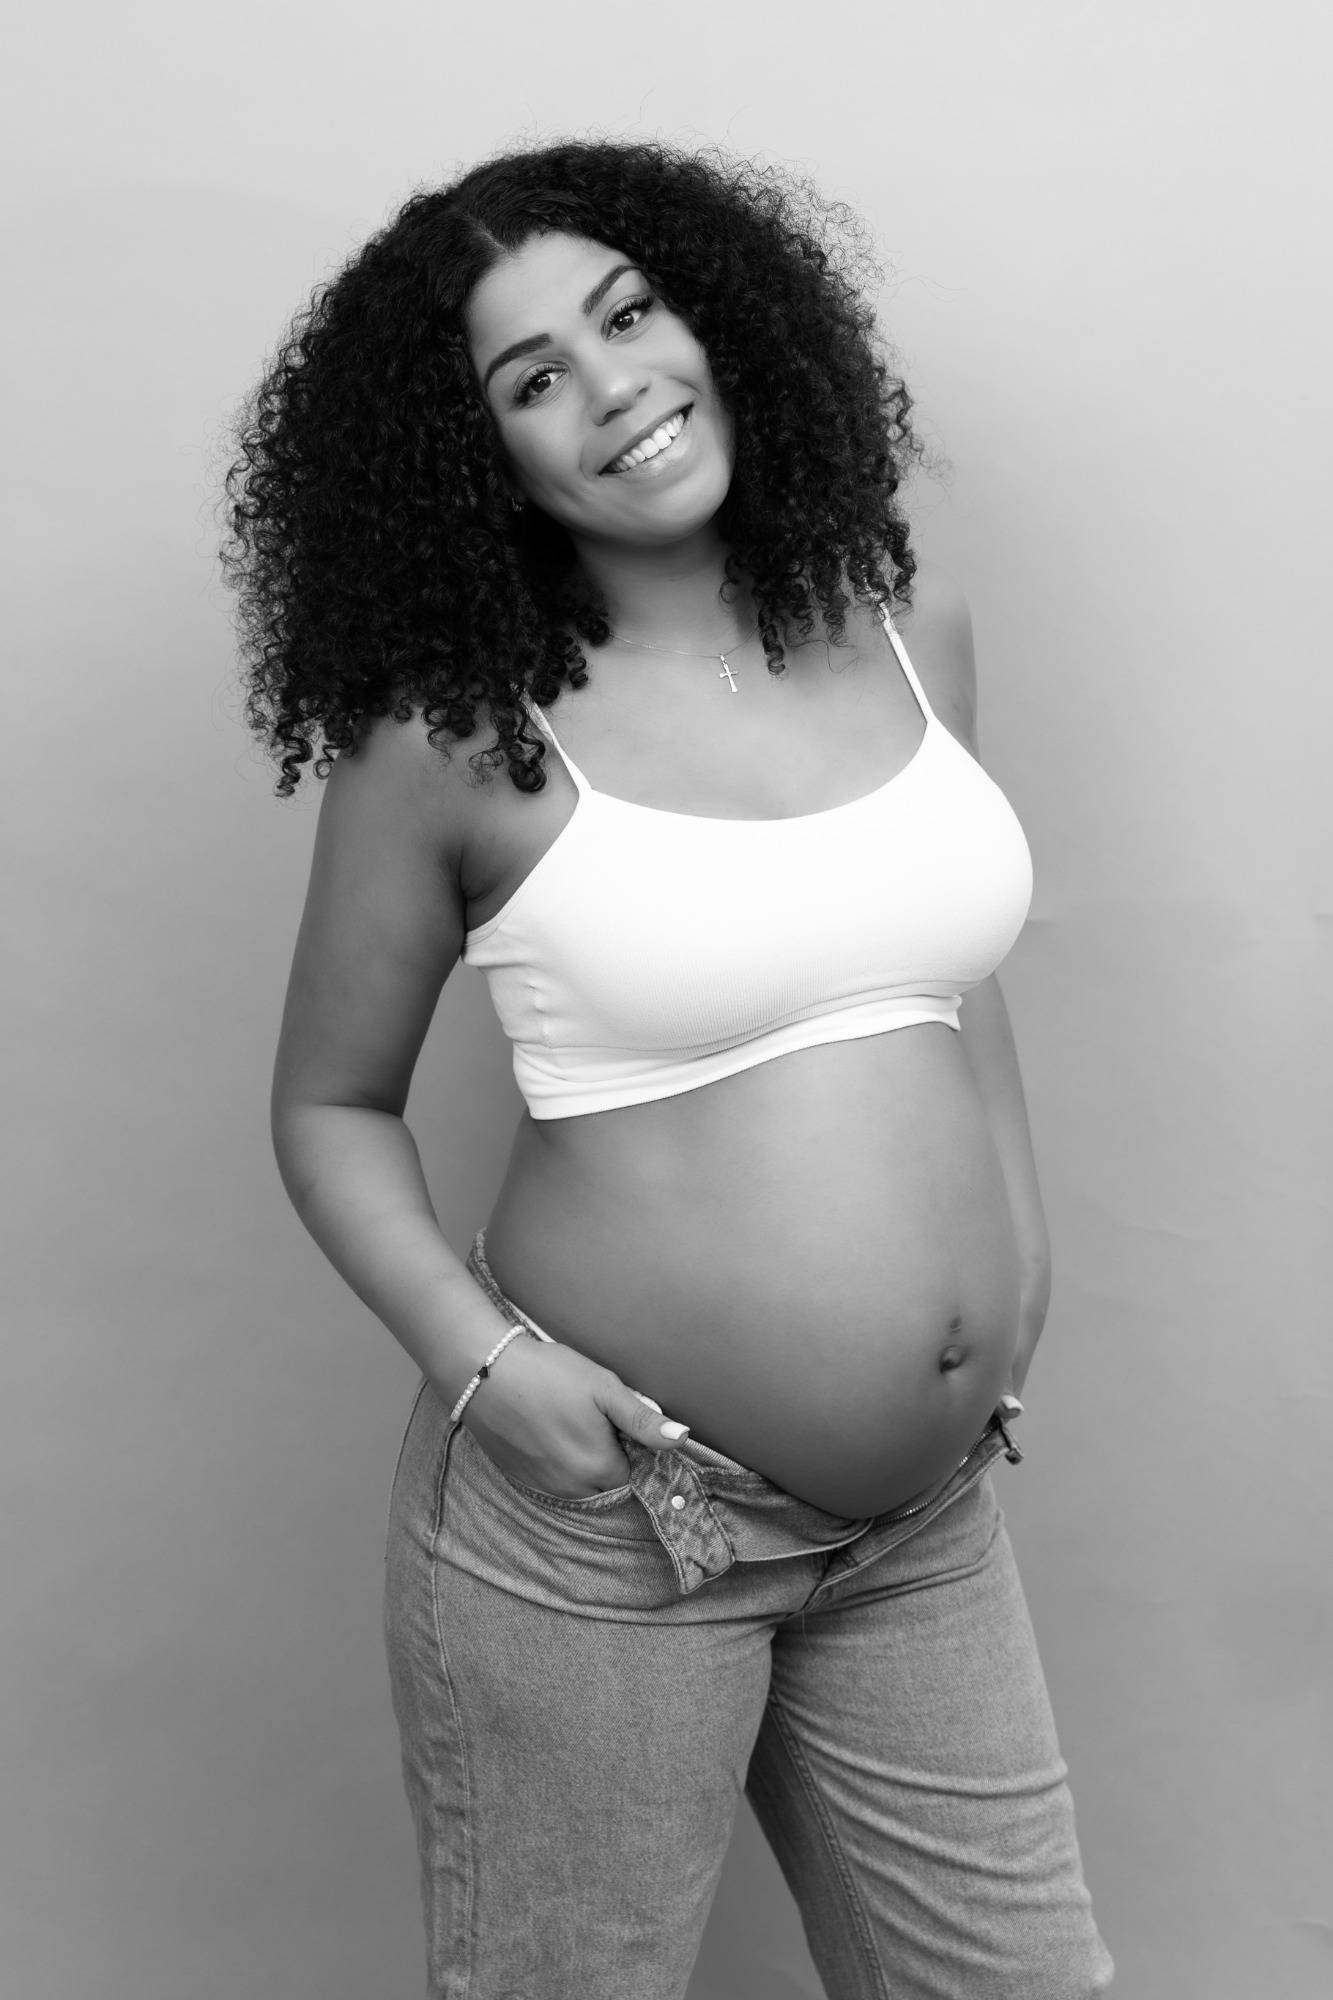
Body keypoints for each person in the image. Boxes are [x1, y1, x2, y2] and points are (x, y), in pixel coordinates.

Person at [225, 139, 1113, 2000]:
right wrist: (489, 1373)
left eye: (628, 314)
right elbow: (328, 1106)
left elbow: (943, 977)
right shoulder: (458, 741)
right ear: (481, 457)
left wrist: (1016, 1265)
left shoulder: (904, 620)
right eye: (532, 377)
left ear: (719, 320)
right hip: (615, 1520)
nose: (615, 385)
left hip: (919, 1520)